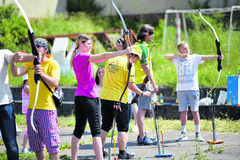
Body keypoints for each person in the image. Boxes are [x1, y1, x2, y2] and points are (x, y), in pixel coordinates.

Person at [70, 34, 132, 160]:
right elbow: (103, 56)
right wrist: (123, 52)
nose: (90, 46)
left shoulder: (77, 57)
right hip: (90, 98)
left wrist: (121, 53)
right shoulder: (82, 56)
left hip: (79, 97)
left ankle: (73, 158)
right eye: (88, 44)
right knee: (96, 132)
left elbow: (101, 59)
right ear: (80, 44)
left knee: (78, 130)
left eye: (91, 44)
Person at [10, 38, 61, 160]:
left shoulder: (53, 63)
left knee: (52, 145)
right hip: (32, 110)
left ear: (45, 50)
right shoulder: (30, 63)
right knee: (37, 146)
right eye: (33, 47)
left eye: (38, 47)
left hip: (47, 109)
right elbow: (16, 73)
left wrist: (42, 73)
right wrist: (12, 61)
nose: (35, 49)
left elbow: (55, 82)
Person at [100, 38, 151, 159]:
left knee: (105, 125)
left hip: (105, 97)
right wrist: (142, 93)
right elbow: (130, 85)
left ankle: (99, 150)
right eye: (137, 58)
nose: (137, 60)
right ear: (132, 54)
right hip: (120, 99)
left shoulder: (111, 59)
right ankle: (123, 153)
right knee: (122, 127)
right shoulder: (129, 64)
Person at [164, 41, 223, 142]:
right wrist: (180, 56)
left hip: (193, 88)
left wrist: (217, 56)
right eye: (184, 49)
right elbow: (166, 56)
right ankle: (183, 133)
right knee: (183, 111)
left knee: (195, 111)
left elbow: (206, 57)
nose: (187, 50)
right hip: (181, 89)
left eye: (187, 48)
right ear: (180, 51)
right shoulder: (177, 59)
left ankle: (198, 133)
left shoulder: (194, 57)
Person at [0, 49, 32, 160]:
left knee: (11, 144)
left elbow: (17, 57)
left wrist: (38, 56)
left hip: (5, 104)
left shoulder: (3, 53)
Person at [133, 24, 158, 145]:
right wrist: (154, 83)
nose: (153, 36)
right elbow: (145, 66)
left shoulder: (137, 45)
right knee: (142, 110)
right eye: (152, 33)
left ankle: (142, 133)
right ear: (146, 35)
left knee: (141, 109)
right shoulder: (142, 47)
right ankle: (142, 137)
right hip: (143, 82)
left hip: (138, 81)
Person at [21, 73, 31, 153]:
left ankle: (30, 147)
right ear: (25, 80)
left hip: (28, 110)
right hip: (27, 110)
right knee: (28, 129)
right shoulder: (26, 88)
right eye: (28, 79)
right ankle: (24, 148)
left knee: (31, 129)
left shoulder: (25, 87)